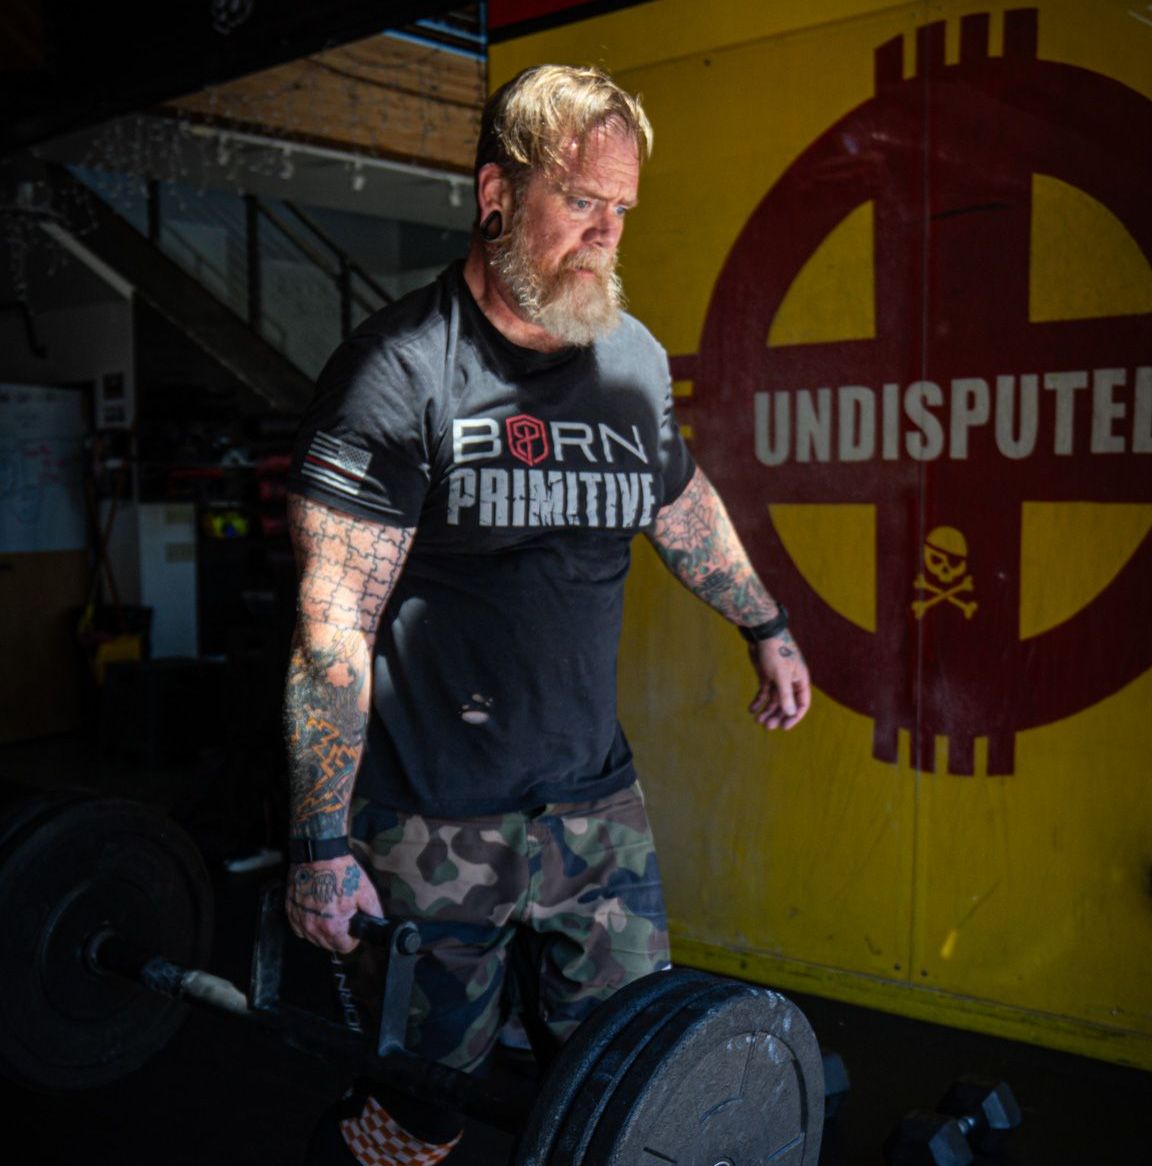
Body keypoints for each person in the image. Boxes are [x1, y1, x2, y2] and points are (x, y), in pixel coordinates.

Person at [284, 63, 811, 1165]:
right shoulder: (397, 374)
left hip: (596, 809)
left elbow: (675, 498)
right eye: (581, 201)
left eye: (621, 209)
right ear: (495, 193)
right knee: (422, 1103)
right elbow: (332, 626)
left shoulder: (627, 359)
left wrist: (764, 622)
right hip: (435, 822)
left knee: (627, 1081)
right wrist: (321, 841)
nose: (606, 234)